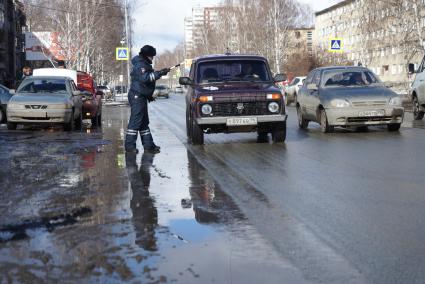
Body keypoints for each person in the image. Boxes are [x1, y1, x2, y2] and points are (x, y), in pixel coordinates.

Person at [125, 45, 170, 153]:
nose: (152, 58)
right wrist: (160, 73)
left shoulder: (142, 63)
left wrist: (148, 95)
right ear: (147, 56)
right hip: (137, 97)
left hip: (141, 96)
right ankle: (130, 146)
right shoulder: (140, 64)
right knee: (135, 122)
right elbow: (145, 78)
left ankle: (149, 146)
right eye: (151, 56)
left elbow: (142, 83)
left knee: (144, 122)